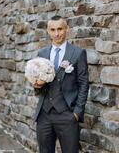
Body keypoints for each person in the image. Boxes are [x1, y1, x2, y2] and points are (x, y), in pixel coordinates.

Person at [33, 16, 89, 153]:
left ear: (67, 29)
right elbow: (38, 84)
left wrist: (77, 113)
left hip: (67, 114)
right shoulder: (42, 53)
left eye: (60, 29)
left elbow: (83, 84)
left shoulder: (77, 53)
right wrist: (36, 86)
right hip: (44, 115)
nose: (56, 34)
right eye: (53, 30)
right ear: (48, 31)